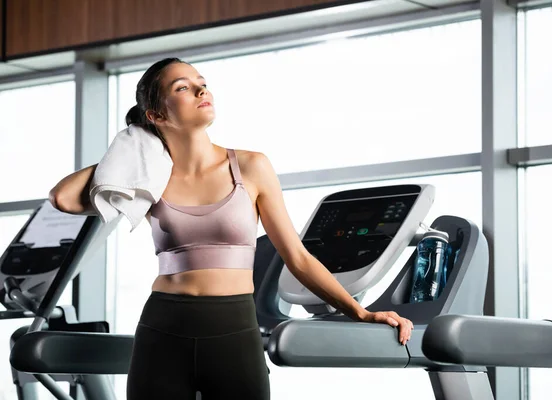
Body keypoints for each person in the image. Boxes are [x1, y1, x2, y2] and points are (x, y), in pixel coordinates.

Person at [48, 57, 414, 400]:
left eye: (201, 84)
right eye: (183, 88)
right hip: (163, 328)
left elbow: (298, 258)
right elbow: (63, 197)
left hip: (234, 328)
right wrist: (133, 147)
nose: (200, 91)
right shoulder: (146, 179)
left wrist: (360, 313)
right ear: (156, 114)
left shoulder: (251, 167)